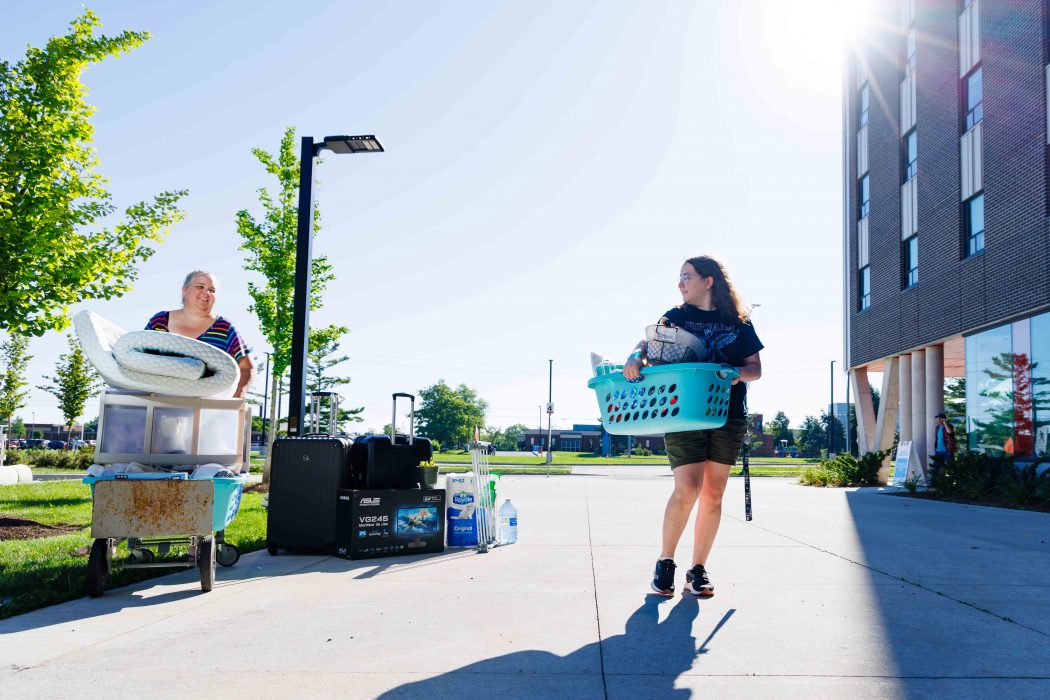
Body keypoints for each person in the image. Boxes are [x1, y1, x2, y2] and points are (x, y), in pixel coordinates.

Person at [623, 255, 762, 598]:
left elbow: (755, 368)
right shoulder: (675, 317)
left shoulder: (739, 323)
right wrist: (634, 356)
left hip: (727, 413)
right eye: (679, 277)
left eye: (687, 276)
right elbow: (648, 342)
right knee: (687, 488)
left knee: (713, 494)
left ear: (708, 280)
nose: (681, 283)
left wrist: (735, 374)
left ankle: (697, 570)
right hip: (683, 412)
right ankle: (665, 563)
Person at [145, 271, 255, 398]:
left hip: (205, 410)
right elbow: (141, 358)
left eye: (212, 290)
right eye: (200, 287)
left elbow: (247, 368)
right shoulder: (160, 321)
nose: (206, 293)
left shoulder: (224, 328)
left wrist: (235, 399)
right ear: (184, 290)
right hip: (158, 405)